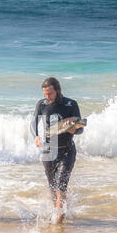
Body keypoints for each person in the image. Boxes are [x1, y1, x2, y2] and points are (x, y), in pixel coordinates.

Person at [31, 77, 84, 224]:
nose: (47, 97)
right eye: (45, 94)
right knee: (52, 186)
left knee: (61, 186)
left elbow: (80, 130)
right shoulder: (42, 104)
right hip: (48, 150)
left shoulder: (70, 104)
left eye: (50, 94)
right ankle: (58, 211)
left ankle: (58, 220)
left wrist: (75, 130)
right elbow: (33, 123)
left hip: (66, 150)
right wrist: (35, 136)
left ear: (58, 90)